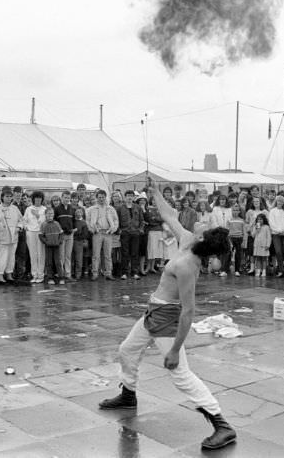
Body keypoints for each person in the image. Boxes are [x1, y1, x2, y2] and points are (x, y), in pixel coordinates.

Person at [98, 186, 236, 451]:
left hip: (166, 318)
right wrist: (155, 192)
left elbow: (188, 311)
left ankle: (222, 425)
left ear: (203, 240)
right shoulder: (187, 240)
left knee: (180, 373)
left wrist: (174, 350)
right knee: (127, 350)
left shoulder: (188, 266)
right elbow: (169, 215)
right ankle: (128, 395)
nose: (200, 222)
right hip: (154, 311)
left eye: (204, 226)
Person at [0, 186, 23, 284]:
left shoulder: (15, 208)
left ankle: (9, 274)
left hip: (13, 237)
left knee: (11, 257)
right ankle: (0, 275)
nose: (8, 198)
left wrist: (19, 227)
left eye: (10, 196)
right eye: (7, 196)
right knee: (1, 256)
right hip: (1, 237)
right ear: (2, 197)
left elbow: (21, 220)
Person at [87, 189, 118, 281]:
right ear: (96, 198)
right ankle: (95, 273)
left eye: (103, 197)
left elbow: (116, 220)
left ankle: (108, 273)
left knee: (108, 255)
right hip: (97, 233)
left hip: (108, 233)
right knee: (96, 255)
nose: (101, 199)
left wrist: (113, 229)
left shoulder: (111, 208)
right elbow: (88, 221)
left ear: (105, 198)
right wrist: (92, 229)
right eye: (99, 197)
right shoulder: (92, 209)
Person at [24, 191, 48, 284]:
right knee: (32, 254)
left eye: (39, 198)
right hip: (30, 233)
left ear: (42, 199)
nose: (38, 200)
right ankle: (34, 275)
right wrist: (26, 228)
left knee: (41, 254)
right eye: (36, 198)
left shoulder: (44, 209)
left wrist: (37, 215)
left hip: (40, 233)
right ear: (33, 199)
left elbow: (45, 222)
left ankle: (40, 275)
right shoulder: (28, 209)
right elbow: (24, 220)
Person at [54, 190, 76, 281]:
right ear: (62, 197)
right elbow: (54, 222)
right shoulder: (57, 209)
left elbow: (74, 221)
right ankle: (61, 274)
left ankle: (68, 274)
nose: (67, 199)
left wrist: (74, 229)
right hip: (61, 235)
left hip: (70, 235)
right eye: (65, 197)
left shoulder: (72, 208)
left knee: (68, 255)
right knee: (61, 256)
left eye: (68, 197)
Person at [40, 208, 64, 284]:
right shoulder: (43, 224)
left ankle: (61, 278)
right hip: (48, 246)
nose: (50, 215)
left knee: (58, 262)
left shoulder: (57, 223)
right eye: (48, 213)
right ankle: (50, 278)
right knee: (49, 262)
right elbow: (40, 235)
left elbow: (61, 234)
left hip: (56, 246)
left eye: (52, 213)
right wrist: (46, 242)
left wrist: (59, 241)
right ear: (45, 215)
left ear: (53, 214)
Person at [268, 194, 284, 277]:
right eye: (278, 201)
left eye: (281, 201)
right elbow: (271, 223)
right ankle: (280, 270)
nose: (280, 202)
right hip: (276, 234)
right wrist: (279, 231)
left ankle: (280, 268)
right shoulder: (272, 211)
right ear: (276, 201)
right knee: (278, 251)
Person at [72, 207, 91, 279]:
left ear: (82, 213)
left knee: (78, 258)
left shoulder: (84, 222)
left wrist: (77, 236)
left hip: (79, 241)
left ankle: (78, 274)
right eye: (77, 212)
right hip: (71, 240)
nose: (78, 213)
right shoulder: (72, 221)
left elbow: (85, 234)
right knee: (71, 258)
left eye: (80, 212)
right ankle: (71, 273)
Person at [252, 213, 271, 277]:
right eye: (258, 219)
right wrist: (257, 229)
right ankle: (258, 270)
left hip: (264, 245)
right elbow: (253, 235)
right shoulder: (256, 226)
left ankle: (264, 271)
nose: (259, 221)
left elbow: (269, 237)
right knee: (258, 258)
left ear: (264, 220)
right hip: (257, 245)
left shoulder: (266, 227)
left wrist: (268, 245)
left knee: (264, 259)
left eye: (261, 219)